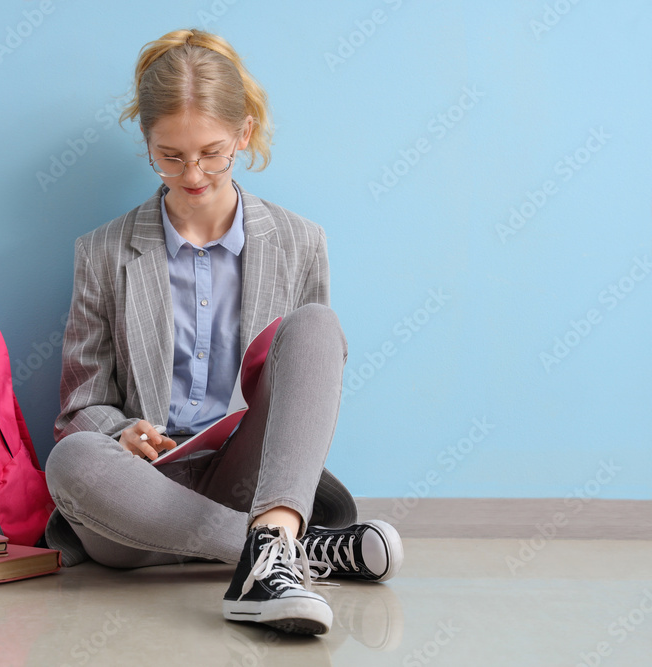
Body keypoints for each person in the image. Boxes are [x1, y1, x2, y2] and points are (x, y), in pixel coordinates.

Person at [44, 28, 403, 636]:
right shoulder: (102, 253)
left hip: (250, 479)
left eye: (211, 152)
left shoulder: (300, 243)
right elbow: (80, 407)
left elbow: (305, 395)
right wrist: (120, 431)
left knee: (317, 326)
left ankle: (269, 543)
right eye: (171, 155)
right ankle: (283, 552)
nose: (193, 174)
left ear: (244, 132)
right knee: (71, 459)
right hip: (139, 499)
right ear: (147, 143)